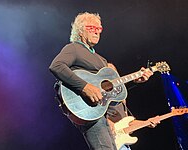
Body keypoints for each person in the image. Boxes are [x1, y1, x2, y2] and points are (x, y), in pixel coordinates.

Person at [49, 12, 160, 150]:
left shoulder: (102, 60)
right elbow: (56, 66)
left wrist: (135, 81)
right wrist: (85, 87)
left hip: (101, 112)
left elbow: (111, 89)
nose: (97, 32)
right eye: (92, 28)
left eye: (99, 29)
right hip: (88, 111)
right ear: (80, 30)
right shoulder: (74, 48)